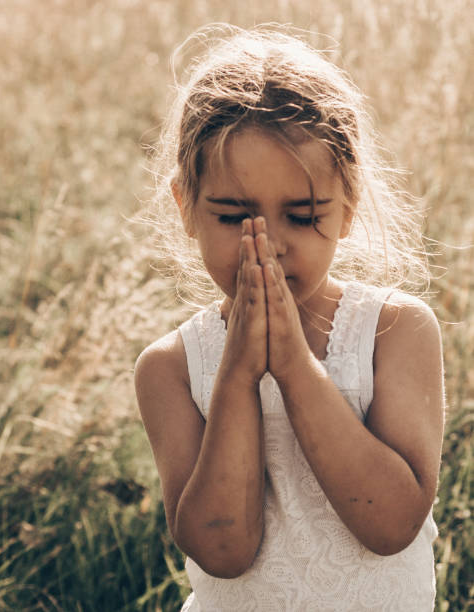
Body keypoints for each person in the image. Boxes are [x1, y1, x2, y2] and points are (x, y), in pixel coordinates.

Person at [134, 24, 444, 611]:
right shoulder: (172, 369)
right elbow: (221, 549)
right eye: (234, 217)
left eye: (301, 216)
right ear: (186, 208)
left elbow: (393, 523)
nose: (268, 245)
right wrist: (238, 376)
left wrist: (297, 370)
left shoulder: (394, 332)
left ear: (347, 207)